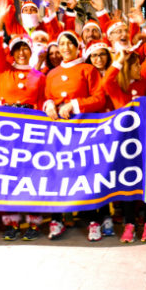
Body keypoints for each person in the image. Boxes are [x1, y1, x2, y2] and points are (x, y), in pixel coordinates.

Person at [43, 31, 109, 241]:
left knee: (84, 174)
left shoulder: (88, 69)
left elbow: (99, 98)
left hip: (82, 132)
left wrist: (74, 105)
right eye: (61, 44)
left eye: (69, 43)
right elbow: (45, 98)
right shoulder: (52, 73)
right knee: (58, 173)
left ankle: (93, 220)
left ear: (77, 46)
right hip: (59, 133)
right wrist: (49, 105)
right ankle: (57, 219)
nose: (65, 47)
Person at [0, 0, 46, 241]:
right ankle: (10, 222)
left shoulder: (39, 76)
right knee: (8, 175)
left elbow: (44, 103)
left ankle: (34, 222)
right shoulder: (4, 71)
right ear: (12, 52)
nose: (22, 52)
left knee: (32, 175)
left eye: (26, 48)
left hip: (33, 131)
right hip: (7, 131)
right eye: (18, 49)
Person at [102, 50, 146, 243]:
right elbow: (106, 82)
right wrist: (118, 61)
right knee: (128, 183)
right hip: (126, 144)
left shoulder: (144, 83)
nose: (139, 68)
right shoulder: (118, 88)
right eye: (135, 65)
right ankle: (129, 223)